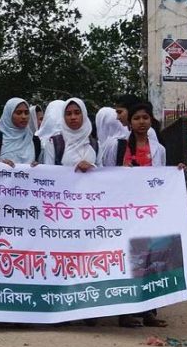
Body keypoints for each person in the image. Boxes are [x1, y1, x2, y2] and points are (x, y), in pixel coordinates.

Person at [102, 102, 169, 328]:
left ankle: (149, 311)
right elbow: (106, 176)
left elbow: (162, 178)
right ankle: (126, 312)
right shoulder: (116, 146)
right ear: (129, 122)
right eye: (137, 118)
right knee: (129, 261)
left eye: (145, 118)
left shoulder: (159, 149)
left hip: (149, 213)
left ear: (151, 121)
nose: (141, 122)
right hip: (124, 213)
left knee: (152, 260)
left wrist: (176, 173)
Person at [40, 98, 99, 172]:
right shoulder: (54, 144)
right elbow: (48, 173)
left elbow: (102, 172)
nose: (73, 117)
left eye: (77, 113)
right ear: (63, 117)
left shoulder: (95, 145)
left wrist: (92, 167)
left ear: (84, 115)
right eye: (68, 114)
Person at [0, 98, 40, 167]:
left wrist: (38, 167)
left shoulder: (34, 141)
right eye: (19, 113)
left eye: (26, 113)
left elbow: (45, 171)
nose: (24, 117)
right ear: (8, 115)